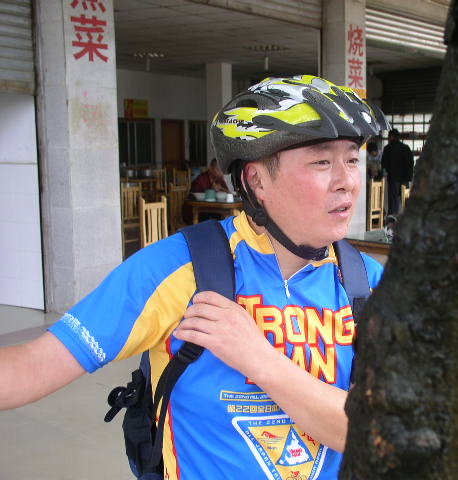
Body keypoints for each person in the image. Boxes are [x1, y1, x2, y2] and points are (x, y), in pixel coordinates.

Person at [0, 75, 389, 480]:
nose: (347, 182)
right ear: (256, 180)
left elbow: (379, 435)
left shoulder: (368, 283)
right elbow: (31, 367)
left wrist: (258, 358)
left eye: (352, 160)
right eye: (322, 162)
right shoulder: (177, 269)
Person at [381, 128, 413, 215]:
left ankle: (393, 218)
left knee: (393, 201)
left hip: (393, 179)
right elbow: (411, 162)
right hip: (405, 179)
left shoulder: (388, 148)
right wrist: (409, 176)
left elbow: (384, 164)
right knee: (405, 200)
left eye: (388, 137)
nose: (388, 139)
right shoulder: (406, 148)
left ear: (391, 137)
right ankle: (407, 217)